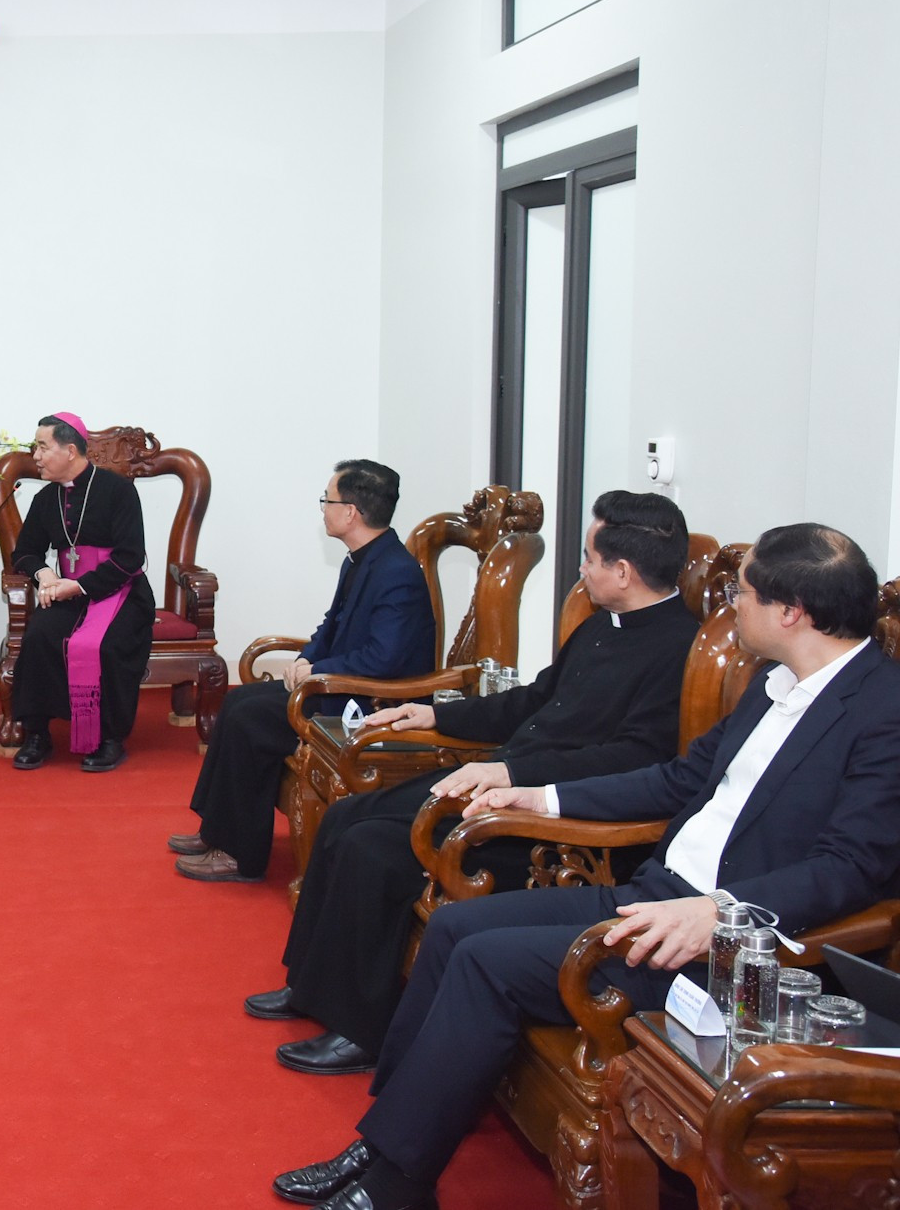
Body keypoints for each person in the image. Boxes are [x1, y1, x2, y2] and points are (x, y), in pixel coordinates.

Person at [276, 523, 900, 1210]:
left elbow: (850, 867)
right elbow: (674, 780)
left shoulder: (880, 710)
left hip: (720, 945)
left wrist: (720, 911)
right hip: (654, 893)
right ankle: (385, 1141)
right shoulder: (771, 684)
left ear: (792, 612)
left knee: (489, 962)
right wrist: (537, 793)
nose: (731, 608)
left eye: (744, 595)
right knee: (457, 930)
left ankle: (397, 1183)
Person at [249, 491, 699, 1077]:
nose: (581, 570)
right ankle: (312, 986)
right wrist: (434, 714)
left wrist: (515, 774)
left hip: (554, 818)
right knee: (345, 818)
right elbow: (536, 701)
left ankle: (361, 1030)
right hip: (504, 775)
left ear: (623, 570)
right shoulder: (598, 625)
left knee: (374, 850)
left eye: (589, 558)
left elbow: (634, 757)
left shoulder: (682, 651)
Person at [169, 459, 433, 882]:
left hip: (371, 700)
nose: (322, 508)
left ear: (351, 512)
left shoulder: (397, 572)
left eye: (326, 500)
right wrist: (305, 659)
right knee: (237, 700)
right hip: (340, 683)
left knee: (251, 719)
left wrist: (318, 670)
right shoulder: (360, 559)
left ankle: (241, 856)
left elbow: (386, 659)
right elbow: (332, 624)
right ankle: (218, 831)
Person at [8, 413, 156, 774]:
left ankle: (109, 738)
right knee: (41, 635)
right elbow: (24, 552)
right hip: (69, 592)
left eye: (43, 447)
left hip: (121, 591)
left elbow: (130, 557)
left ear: (70, 450)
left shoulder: (118, 491)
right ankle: (38, 733)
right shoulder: (46, 499)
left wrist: (79, 585)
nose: (36, 456)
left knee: (107, 644)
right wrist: (44, 574)